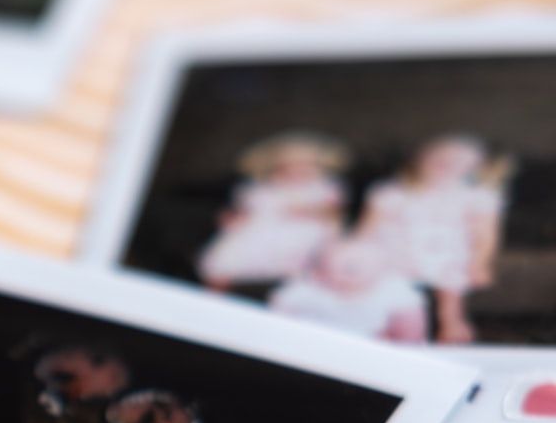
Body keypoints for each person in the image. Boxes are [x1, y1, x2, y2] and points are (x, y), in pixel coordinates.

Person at [362, 134, 510, 343]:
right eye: (438, 159)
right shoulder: (392, 193)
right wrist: (361, 256)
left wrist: (480, 263)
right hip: (397, 251)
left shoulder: (477, 197)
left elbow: (485, 235)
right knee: (387, 291)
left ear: (475, 167)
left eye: (455, 162)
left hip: (447, 251)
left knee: (451, 287)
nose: (445, 165)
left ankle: (452, 327)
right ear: (419, 161)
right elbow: (368, 229)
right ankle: (395, 330)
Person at [198, 132, 349, 291]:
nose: (298, 170)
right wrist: (234, 218)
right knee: (226, 255)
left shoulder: (323, 188)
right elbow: (248, 209)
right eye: (290, 166)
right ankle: (214, 290)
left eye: (305, 165)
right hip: (261, 231)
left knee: (308, 255)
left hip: (303, 233)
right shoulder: (266, 188)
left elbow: (334, 213)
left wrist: (309, 210)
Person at [268, 236, 429, 342]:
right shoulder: (309, 291)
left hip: (376, 352)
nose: (351, 270)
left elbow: (411, 336)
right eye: (327, 267)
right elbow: (280, 311)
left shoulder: (392, 293)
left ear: (382, 271)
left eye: (357, 264)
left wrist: (396, 340)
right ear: (319, 273)